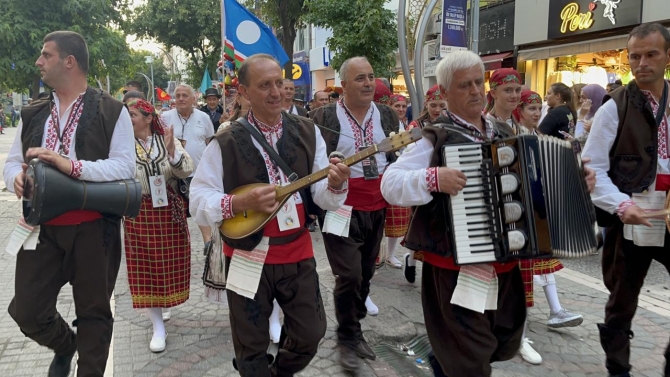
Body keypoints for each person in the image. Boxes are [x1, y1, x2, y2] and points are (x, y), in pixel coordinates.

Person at [381, 50, 596, 377]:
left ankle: (441, 360)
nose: (475, 91)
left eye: (478, 83)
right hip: (453, 267)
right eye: (464, 85)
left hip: (505, 262)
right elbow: (390, 183)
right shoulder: (431, 137)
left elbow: (535, 185)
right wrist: (432, 178)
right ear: (444, 92)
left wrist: (578, 182)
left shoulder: (504, 131)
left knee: (500, 338)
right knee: (470, 356)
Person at [189, 53, 350, 377]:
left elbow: (321, 197)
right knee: (250, 346)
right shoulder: (226, 140)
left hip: (297, 251)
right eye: (264, 85)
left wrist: (334, 185)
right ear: (244, 92)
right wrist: (235, 204)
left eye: (279, 83)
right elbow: (197, 199)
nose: (276, 91)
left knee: (311, 333)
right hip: (247, 255)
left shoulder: (307, 131)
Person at [2, 31, 135, 377]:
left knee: (94, 314)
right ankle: (66, 345)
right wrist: (14, 176)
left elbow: (125, 167)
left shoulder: (111, 110)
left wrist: (72, 166)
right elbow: (13, 161)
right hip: (41, 226)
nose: (39, 62)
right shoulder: (32, 114)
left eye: (46, 55)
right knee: (28, 310)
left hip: (93, 228)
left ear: (69, 61)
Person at [582, 22, 670, 377]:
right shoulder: (613, 106)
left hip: (669, 209)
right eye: (635, 56)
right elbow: (591, 168)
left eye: (651, 54)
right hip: (632, 209)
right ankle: (618, 368)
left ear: (667, 55)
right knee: (622, 298)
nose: (641, 63)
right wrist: (621, 205)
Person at [309, 56, 400, 372]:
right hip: (340, 206)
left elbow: (396, 156)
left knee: (366, 273)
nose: (367, 83)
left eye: (371, 77)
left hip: (378, 204)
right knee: (348, 275)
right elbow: (314, 166)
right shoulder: (323, 117)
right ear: (343, 85)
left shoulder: (387, 115)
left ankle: (355, 328)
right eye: (360, 78)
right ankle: (347, 340)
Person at [512, 90, 585, 365]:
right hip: (517, 216)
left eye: (536, 108)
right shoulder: (512, 135)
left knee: (532, 272)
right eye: (530, 108)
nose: (535, 113)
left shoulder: (542, 138)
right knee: (519, 278)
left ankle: (527, 329)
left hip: (538, 216)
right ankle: (517, 336)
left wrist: (573, 152)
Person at [124, 99, 193, 353]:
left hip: (168, 213)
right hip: (138, 212)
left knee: (168, 264)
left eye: (132, 114)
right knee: (145, 269)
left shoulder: (165, 140)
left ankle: (164, 305)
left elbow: (187, 169)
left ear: (148, 117)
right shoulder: (122, 144)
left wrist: (173, 152)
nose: (128, 118)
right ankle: (157, 328)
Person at [401, 84, 448, 284]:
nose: (438, 110)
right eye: (434, 105)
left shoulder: (450, 125)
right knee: (420, 223)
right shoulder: (416, 127)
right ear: (426, 104)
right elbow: (406, 157)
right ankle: (411, 259)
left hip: (443, 183)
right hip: (422, 181)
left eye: (442, 106)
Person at [161, 84, 215, 254]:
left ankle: (208, 242)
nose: (181, 99)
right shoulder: (164, 117)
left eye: (185, 95)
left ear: (193, 99)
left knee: (200, 207)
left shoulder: (204, 117)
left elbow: (210, 144)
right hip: (172, 173)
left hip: (197, 171)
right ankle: (174, 246)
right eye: (178, 96)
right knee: (174, 210)